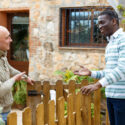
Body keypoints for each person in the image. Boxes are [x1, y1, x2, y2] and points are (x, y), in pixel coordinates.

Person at [74, 9, 125, 125]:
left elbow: (123, 69)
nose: (99, 26)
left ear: (113, 21)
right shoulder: (111, 44)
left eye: (102, 22)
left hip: (123, 99)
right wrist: (92, 73)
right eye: (98, 24)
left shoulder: (123, 40)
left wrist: (97, 85)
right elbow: (110, 72)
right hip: (112, 96)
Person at [0, 26, 33, 125]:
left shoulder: (2, 56)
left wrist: (25, 77)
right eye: (7, 38)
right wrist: (15, 79)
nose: (11, 40)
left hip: (7, 111)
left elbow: (10, 69)